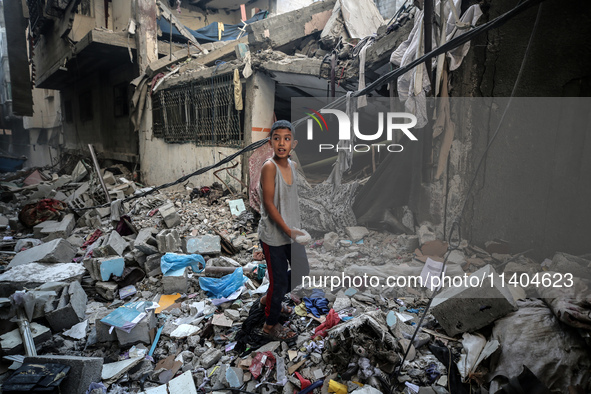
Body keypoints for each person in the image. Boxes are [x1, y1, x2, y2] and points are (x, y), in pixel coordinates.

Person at [257, 120, 309, 341]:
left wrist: (295, 229)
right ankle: (270, 326)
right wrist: (288, 230)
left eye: (286, 139)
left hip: (292, 232)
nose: (281, 143)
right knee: (278, 282)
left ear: (293, 144)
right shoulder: (269, 167)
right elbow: (269, 204)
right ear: (270, 142)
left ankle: (270, 299)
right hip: (274, 236)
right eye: (277, 138)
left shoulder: (294, 168)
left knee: (302, 271)